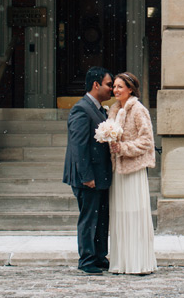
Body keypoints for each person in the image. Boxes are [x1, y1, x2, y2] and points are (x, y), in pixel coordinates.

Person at [62, 66, 114, 275]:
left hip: (100, 176)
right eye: (109, 84)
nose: (111, 89)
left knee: (101, 218)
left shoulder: (100, 109)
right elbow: (78, 146)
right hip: (88, 177)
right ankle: (86, 259)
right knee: (89, 218)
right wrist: (87, 177)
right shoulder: (81, 109)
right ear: (96, 85)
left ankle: (100, 257)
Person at [106, 71, 157, 275]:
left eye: (120, 86)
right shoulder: (113, 110)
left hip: (133, 169)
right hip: (118, 171)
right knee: (120, 214)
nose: (115, 90)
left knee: (134, 214)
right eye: (114, 86)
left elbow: (146, 141)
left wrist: (124, 148)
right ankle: (122, 261)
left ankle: (138, 262)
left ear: (130, 89)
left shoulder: (138, 110)